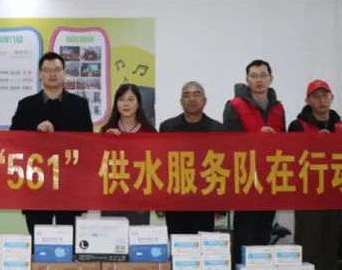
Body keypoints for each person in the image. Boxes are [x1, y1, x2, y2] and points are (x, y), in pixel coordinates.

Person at [11, 52, 94, 233]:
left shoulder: (79, 104)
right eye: (47, 70)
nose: (52, 74)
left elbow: (87, 140)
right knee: (39, 240)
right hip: (36, 182)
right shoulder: (26, 105)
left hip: (69, 183)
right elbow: (14, 139)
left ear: (64, 72)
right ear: (40, 74)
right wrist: (34, 129)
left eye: (57, 69)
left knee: (69, 240)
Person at [288, 79, 342, 270]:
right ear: (308, 100)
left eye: (325, 95)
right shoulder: (297, 125)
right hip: (308, 196)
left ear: (332, 98)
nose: (322, 100)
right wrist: (316, 143)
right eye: (316, 96)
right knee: (307, 245)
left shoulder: (341, 127)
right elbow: (290, 156)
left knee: (331, 246)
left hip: (334, 194)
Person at [223, 59, 286, 258]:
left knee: (263, 232)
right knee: (245, 232)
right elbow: (230, 143)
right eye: (254, 76)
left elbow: (285, 143)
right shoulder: (235, 105)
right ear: (247, 79)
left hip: (271, 177)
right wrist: (257, 138)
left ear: (271, 79)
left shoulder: (278, 108)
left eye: (263, 75)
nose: (259, 80)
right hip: (246, 177)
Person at [158, 81, 225, 234]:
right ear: (181, 102)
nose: (192, 99)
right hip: (175, 199)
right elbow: (161, 165)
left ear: (205, 100)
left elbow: (223, 167)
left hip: (205, 200)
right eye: (186, 95)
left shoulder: (217, 129)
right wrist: (160, 200)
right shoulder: (167, 128)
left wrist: (221, 205)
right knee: (176, 242)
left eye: (197, 94)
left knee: (202, 242)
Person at [100, 83, 155, 225]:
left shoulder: (150, 133)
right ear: (116, 103)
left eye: (131, 99)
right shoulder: (107, 131)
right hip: (112, 197)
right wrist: (105, 141)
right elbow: (98, 167)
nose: (126, 104)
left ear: (138, 104)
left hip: (139, 198)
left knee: (138, 236)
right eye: (121, 99)